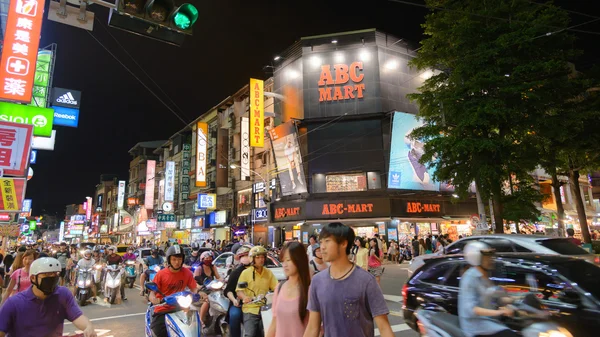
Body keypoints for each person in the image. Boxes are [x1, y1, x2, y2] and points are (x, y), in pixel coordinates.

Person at [304, 223, 393, 337]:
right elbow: (312, 328)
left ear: (343, 243)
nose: (322, 247)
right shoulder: (317, 281)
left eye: (327, 241)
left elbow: (384, 329)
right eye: (321, 242)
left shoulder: (366, 281)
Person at [0, 257, 97, 337]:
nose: (52, 278)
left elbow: (78, 317)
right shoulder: (14, 303)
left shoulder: (63, 294)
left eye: (55, 274)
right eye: (47, 274)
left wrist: (88, 327)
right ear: (33, 278)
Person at [459, 242, 516, 337]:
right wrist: (500, 312)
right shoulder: (470, 278)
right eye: (487, 257)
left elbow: (490, 296)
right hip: (476, 326)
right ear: (477, 259)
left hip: (489, 321)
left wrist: (511, 300)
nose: (491, 260)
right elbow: (472, 309)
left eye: (491, 257)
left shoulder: (485, 275)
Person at [149, 245, 206, 337]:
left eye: (179, 259)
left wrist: (200, 293)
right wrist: (154, 299)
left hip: (181, 307)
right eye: (174, 259)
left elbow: (193, 288)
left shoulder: (187, 273)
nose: (177, 262)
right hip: (163, 308)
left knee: (196, 330)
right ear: (169, 260)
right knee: (158, 332)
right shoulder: (161, 274)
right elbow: (152, 292)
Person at [266, 242, 310, 337]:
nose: (285, 265)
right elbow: (274, 321)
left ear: (299, 260)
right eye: (283, 260)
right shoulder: (279, 288)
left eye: (288, 260)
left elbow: (314, 327)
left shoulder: (309, 290)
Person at [236, 245, 278, 337]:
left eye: (263, 257)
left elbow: (276, 287)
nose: (261, 259)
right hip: (250, 308)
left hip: (265, 307)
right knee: (250, 334)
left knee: (271, 332)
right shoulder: (245, 273)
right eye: (258, 257)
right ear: (252, 259)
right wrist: (245, 297)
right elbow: (239, 291)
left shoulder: (268, 273)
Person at [224, 245, 252, 337]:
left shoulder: (260, 271)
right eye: (243, 256)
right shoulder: (235, 272)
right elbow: (228, 290)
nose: (246, 258)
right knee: (235, 315)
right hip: (239, 303)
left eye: (248, 255)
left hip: (256, 302)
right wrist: (234, 300)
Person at [194, 251, 222, 327]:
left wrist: (223, 281)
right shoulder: (199, 268)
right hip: (202, 290)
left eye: (210, 258)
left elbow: (218, 277)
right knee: (207, 301)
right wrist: (199, 287)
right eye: (206, 258)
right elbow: (194, 282)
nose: (208, 259)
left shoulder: (213, 267)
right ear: (202, 259)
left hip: (212, 288)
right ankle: (201, 320)